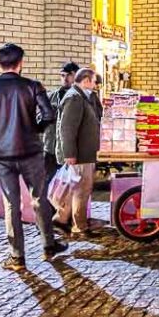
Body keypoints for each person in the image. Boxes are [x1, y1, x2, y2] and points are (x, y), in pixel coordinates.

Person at [0, 43, 66, 271]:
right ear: (21, 63)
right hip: (31, 151)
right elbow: (49, 115)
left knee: (12, 204)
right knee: (39, 198)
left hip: (3, 155)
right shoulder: (33, 86)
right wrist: (36, 129)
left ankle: (17, 257)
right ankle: (48, 246)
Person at [54, 68, 102, 237]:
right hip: (80, 153)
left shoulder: (84, 97)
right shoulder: (74, 98)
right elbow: (67, 129)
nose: (96, 85)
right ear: (85, 81)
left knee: (77, 189)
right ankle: (79, 227)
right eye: (94, 81)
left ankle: (60, 220)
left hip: (86, 152)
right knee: (82, 190)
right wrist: (70, 154)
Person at [43, 62, 79, 183]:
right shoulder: (52, 96)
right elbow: (41, 119)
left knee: (68, 184)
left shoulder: (81, 97)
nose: (65, 79)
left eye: (68, 75)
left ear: (75, 75)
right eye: (62, 75)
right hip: (51, 146)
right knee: (48, 182)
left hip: (70, 150)